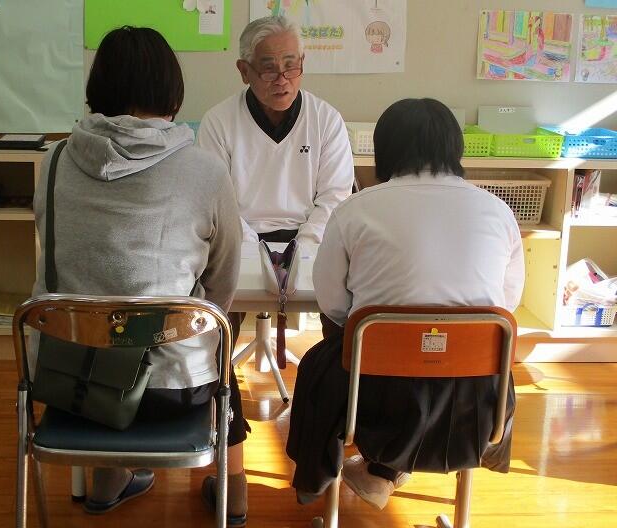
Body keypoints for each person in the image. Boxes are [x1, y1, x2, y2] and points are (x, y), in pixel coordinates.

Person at [30, 26, 249, 526]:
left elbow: (60, 255)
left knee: (104, 323)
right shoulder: (205, 172)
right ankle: (233, 493)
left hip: (69, 380)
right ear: (172, 93)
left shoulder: (54, 162)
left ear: (97, 90)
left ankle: (108, 479)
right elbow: (222, 284)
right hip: (176, 390)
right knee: (213, 343)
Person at [286, 98, 524, 510]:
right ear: (455, 148)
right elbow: (506, 303)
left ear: (385, 149)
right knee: (454, 345)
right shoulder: (497, 211)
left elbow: (332, 301)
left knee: (338, 343)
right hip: (474, 400)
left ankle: (330, 473)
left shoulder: (355, 209)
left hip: (375, 396)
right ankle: (385, 473)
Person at [197, 15, 354, 343]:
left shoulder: (326, 119)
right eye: (269, 69)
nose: (282, 80)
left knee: (342, 322)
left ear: (302, 64)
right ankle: (222, 377)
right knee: (215, 325)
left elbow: (335, 197)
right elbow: (217, 203)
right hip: (239, 242)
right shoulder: (219, 122)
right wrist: (253, 250)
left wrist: (303, 248)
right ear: (244, 71)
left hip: (311, 242)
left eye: (291, 66)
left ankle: (326, 375)